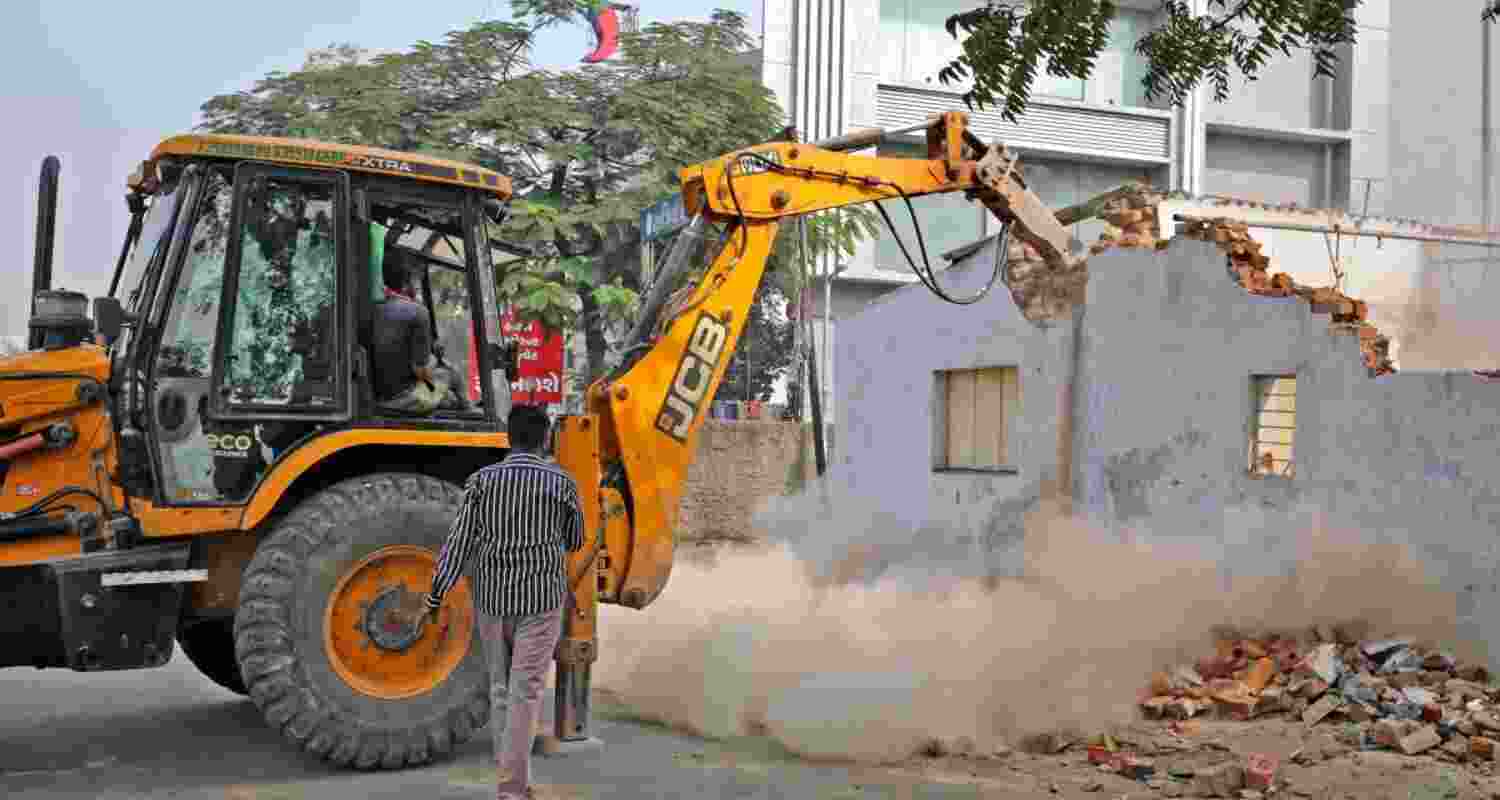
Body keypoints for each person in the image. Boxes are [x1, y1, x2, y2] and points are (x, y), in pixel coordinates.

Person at [400, 404, 584, 800]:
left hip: (493, 602)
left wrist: (435, 596)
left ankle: (514, 781)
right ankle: (513, 790)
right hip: (541, 602)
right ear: (545, 439)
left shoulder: (481, 482)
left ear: (508, 438)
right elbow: (576, 539)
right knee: (525, 692)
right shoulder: (561, 483)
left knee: (503, 692)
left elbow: (459, 543)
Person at [371, 248, 462, 414]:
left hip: (379, 397)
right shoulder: (418, 312)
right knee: (451, 375)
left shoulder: (373, 310)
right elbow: (419, 371)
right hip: (405, 399)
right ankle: (470, 407)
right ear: (407, 282)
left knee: (447, 397)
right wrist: (435, 361)